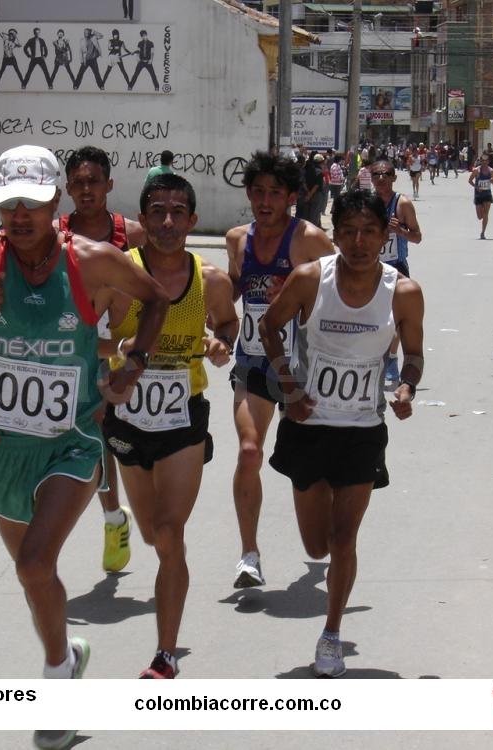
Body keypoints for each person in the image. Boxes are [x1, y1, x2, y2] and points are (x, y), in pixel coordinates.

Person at [0, 144, 169, 750]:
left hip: (74, 440)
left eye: (32, 204)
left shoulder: (91, 261)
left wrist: (134, 362)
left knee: (36, 562)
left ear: (55, 202)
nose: (19, 215)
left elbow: (155, 299)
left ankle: (55, 689)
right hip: (4, 446)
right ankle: (65, 658)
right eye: (8, 204)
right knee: (33, 574)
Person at [260, 189, 425, 678]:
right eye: (348, 231)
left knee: (343, 536)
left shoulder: (404, 292)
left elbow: (414, 355)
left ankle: (330, 634)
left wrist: (407, 389)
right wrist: (288, 386)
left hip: (361, 428)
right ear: (335, 235)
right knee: (316, 545)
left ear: (385, 234)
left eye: (369, 231)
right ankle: (328, 584)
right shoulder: (311, 279)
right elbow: (270, 328)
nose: (358, 242)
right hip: (308, 427)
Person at [101, 173, 239, 678]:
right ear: (142, 219)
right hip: (127, 418)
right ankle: (157, 564)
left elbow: (227, 323)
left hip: (184, 420)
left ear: (192, 220)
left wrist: (222, 343)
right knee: (153, 535)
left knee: (170, 531)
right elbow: (84, 340)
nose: (166, 222)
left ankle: (165, 653)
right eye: (156, 211)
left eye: (177, 212)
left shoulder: (212, 281)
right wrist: (115, 352)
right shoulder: (117, 276)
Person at [224, 151, 335, 589]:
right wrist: (212, 320)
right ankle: (249, 554)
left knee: (306, 465)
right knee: (249, 451)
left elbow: (340, 287)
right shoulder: (237, 239)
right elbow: (232, 291)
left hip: (301, 365)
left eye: (275, 193)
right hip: (252, 359)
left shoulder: (308, 239)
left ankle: (320, 532)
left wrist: (293, 293)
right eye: (258, 192)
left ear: (292, 196)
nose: (265, 201)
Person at [57, 145, 148, 572]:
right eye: (78, 182)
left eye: (94, 181)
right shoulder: (54, 234)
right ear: (67, 188)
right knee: (90, 439)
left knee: (116, 441)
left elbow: (156, 289)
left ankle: (120, 515)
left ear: (109, 185)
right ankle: (113, 518)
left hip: (123, 349)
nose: (86, 189)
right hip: (72, 352)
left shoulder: (131, 234)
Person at [369, 159, 423, 383]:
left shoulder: (402, 204)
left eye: (386, 174)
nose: (381, 179)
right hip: (369, 267)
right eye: (377, 175)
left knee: (396, 317)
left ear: (394, 177)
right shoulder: (366, 203)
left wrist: (399, 230)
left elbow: (417, 236)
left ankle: (391, 357)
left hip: (396, 266)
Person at [468, 157, 493, 240]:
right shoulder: (476, 170)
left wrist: (492, 180)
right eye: (482, 161)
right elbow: (470, 180)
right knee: (480, 216)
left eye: (486, 160)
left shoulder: (491, 171)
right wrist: (476, 187)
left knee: (486, 214)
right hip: (478, 194)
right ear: (480, 161)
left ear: (488, 161)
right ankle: (482, 214)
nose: (484, 162)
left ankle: (483, 232)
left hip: (487, 194)